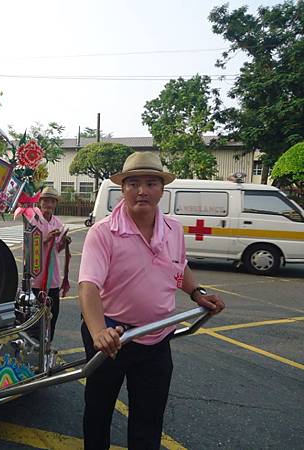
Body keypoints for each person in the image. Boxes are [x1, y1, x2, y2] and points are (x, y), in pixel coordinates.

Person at [78, 152, 225, 450]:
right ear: (123, 189)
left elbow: (178, 266)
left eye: (150, 183)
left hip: (157, 336)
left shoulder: (173, 230)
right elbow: (88, 286)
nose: (142, 190)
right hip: (111, 336)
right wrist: (98, 333)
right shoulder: (103, 232)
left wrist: (197, 293)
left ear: (162, 189)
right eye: (133, 183)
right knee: (98, 411)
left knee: (149, 416)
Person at [29, 187, 70, 341]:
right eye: (45, 200)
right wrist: (45, 238)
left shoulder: (58, 223)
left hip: (52, 279)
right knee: (33, 322)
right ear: (40, 202)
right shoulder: (33, 221)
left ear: (55, 204)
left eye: (52, 201)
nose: (48, 204)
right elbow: (29, 247)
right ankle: (33, 354)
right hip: (35, 279)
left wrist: (64, 242)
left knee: (51, 319)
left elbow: (56, 249)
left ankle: (46, 350)